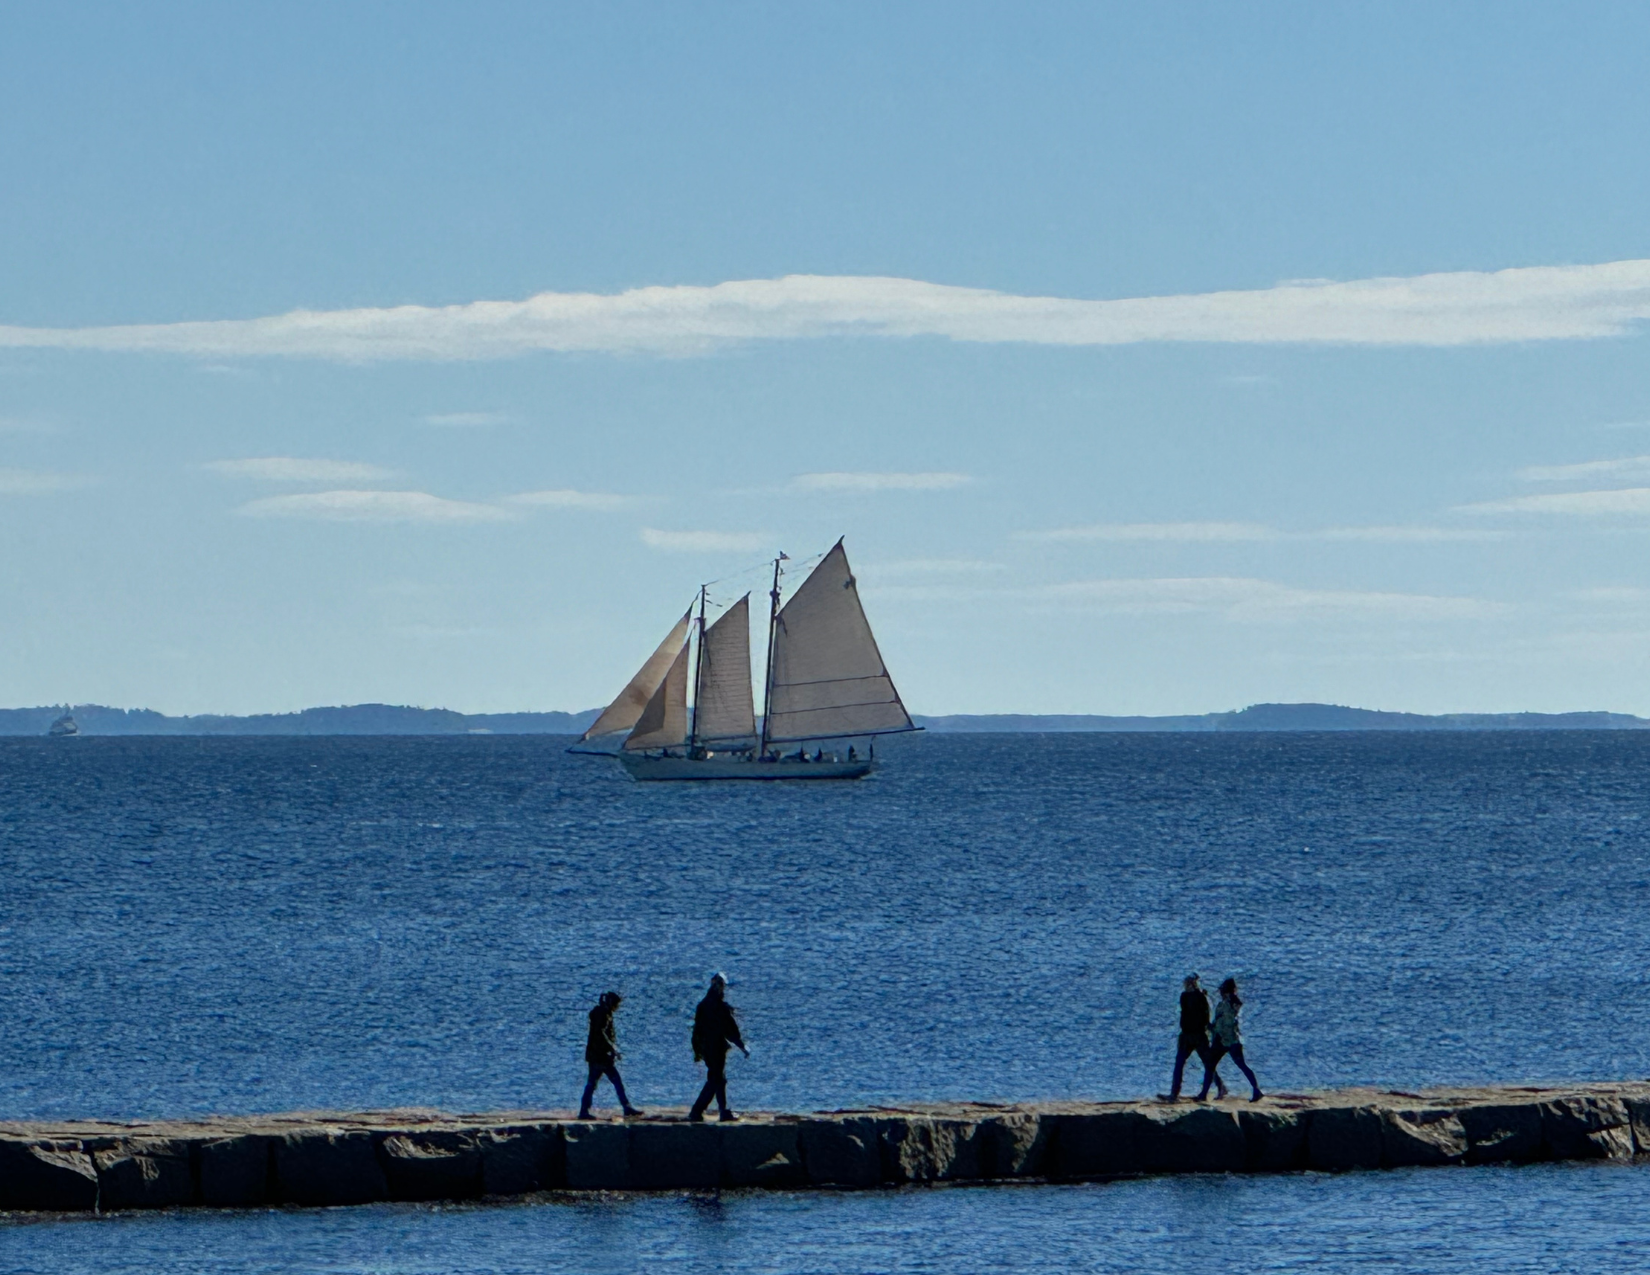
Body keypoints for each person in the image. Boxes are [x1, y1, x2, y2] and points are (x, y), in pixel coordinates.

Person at [688, 972, 748, 1122]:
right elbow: (729, 1029)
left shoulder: (703, 1005)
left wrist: (697, 1049)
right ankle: (697, 1110)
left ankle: (723, 1111)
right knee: (716, 1080)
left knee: (718, 1079)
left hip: (707, 1048)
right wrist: (741, 1046)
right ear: (721, 987)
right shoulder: (719, 1007)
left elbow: (697, 1030)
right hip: (717, 1048)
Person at [1197, 977, 1263, 1102]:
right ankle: (1204, 1093)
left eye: (1222, 991)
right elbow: (1220, 1022)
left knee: (1218, 1066)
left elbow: (1225, 1023)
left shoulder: (1230, 1005)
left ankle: (1256, 1090)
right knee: (1211, 1066)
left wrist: (1213, 1028)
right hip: (1227, 1040)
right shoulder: (1226, 1005)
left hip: (1227, 1040)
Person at [579, 991, 641, 1120]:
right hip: (600, 1057)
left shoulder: (600, 1013)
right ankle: (625, 1107)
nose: (617, 1007)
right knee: (605, 1082)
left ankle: (585, 1110)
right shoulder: (603, 1014)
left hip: (598, 1056)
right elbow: (601, 1034)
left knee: (595, 1083)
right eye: (616, 1004)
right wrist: (613, 1049)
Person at [1167, 975, 1227, 1101]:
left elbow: (1206, 1014)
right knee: (1179, 1063)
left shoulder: (1200, 997)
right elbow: (1184, 1014)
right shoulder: (1184, 996)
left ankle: (1220, 1086)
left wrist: (1205, 1028)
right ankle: (1174, 1093)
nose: (1187, 985)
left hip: (1199, 1035)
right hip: (1186, 1035)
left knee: (1207, 1063)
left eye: (1189, 983)